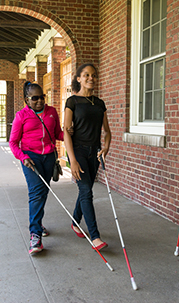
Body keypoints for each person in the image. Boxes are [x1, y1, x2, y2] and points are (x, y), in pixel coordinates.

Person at [9, 81, 64, 254]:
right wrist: (23, 157)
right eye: (35, 98)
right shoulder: (21, 116)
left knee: (43, 192)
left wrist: (71, 133)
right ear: (27, 99)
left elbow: (57, 134)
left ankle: (37, 222)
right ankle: (35, 235)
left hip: (48, 157)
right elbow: (13, 142)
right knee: (36, 193)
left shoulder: (52, 112)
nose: (40, 101)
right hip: (30, 158)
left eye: (42, 97)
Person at [64, 63, 111, 251]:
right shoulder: (72, 102)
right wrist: (72, 160)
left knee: (85, 190)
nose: (90, 78)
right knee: (86, 192)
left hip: (94, 152)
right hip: (78, 152)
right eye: (86, 75)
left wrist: (106, 147)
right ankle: (95, 236)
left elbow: (107, 131)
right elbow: (66, 132)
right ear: (78, 78)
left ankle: (75, 222)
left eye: (93, 75)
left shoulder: (100, 104)